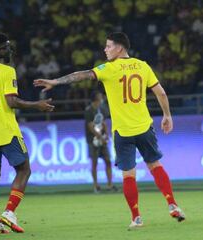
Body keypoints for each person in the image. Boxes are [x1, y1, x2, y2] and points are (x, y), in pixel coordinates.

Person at [34, 32, 185, 228]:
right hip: (144, 127)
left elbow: (82, 75)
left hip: (123, 132)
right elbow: (161, 93)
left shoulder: (109, 69)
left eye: (108, 46)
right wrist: (167, 115)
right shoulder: (143, 66)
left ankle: (136, 218)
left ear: (120, 48)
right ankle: (172, 205)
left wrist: (56, 81)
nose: (105, 50)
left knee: (128, 175)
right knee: (155, 165)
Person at [0, 33, 54, 234]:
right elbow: (11, 102)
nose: (10, 50)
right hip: (7, 131)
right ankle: (9, 212)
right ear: (0, 50)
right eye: (7, 47)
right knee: (24, 170)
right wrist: (36, 105)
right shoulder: (7, 71)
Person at [85, 91, 116, 193]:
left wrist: (106, 134)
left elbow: (103, 123)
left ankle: (110, 185)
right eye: (100, 96)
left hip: (102, 139)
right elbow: (90, 127)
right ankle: (96, 185)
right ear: (95, 98)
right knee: (94, 162)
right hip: (92, 140)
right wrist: (100, 137)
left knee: (108, 160)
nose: (102, 98)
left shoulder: (102, 108)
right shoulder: (89, 110)